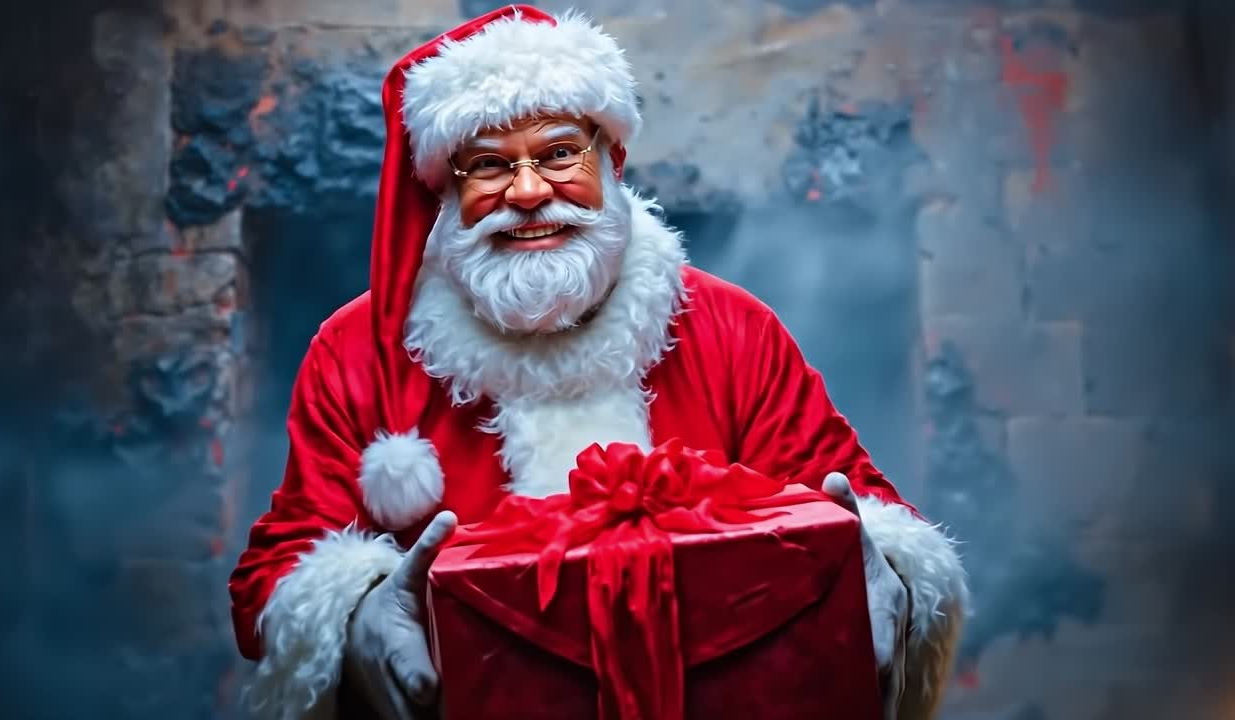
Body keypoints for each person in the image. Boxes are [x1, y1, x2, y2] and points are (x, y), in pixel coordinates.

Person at [229, 6, 969, 720]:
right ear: (446, 189)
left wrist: (887, 577)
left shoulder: (731, 328)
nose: (526, 193)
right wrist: (357, 620)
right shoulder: (361, 350)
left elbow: (860, 503)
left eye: (557, 154)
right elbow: (281, 564)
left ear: (610, 158)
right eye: (488, 165)